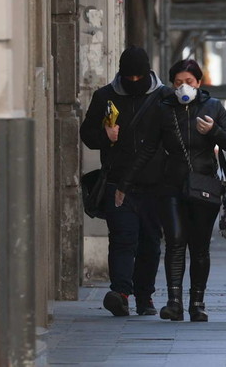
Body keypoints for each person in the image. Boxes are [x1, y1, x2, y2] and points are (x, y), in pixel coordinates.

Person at [116, 58, 226, 321]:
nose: (184, 87)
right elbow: (148, 148)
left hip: (204, 186)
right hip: (171, 184)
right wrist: (125, 183)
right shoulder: (163, 110)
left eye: (189, 82)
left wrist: (213, 130)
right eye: (178, 83)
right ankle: (174, 302)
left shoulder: (213, 106)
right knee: (174, 241)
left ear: (199, 83)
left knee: (200, 247)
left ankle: (197, 303)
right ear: (172, 85)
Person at [80, 46, 166, 317]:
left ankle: (145, 296)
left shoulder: (163, 97)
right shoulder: (105, 97)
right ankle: (121, 293)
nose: (133, 82)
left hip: (154, 185)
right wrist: (106, 136)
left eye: (138, 77)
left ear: (147, 73)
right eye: (128, 77)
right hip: (118, 183)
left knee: (150, 242)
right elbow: (87, 135)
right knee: (122, 239)